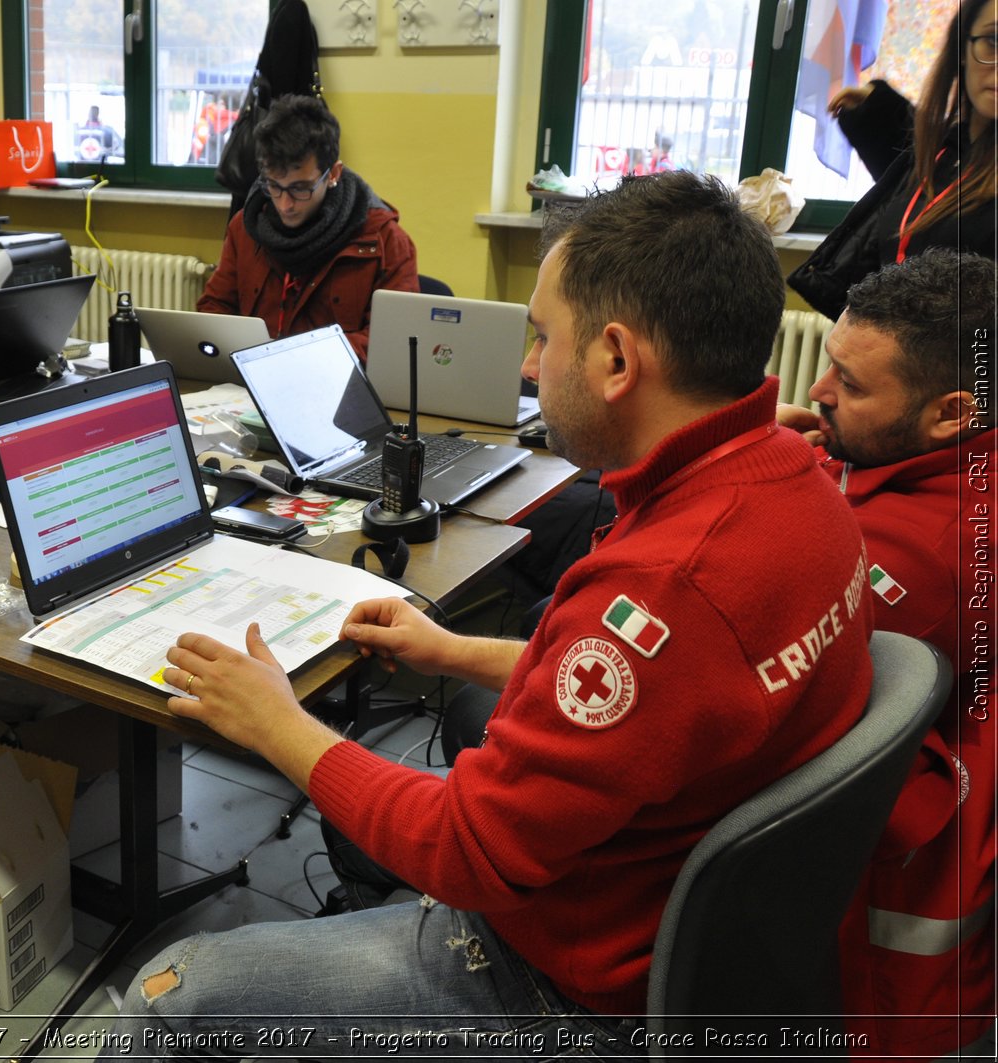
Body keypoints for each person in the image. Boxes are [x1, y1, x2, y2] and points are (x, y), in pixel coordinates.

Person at [107, 171, 875, 1054]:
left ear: (618, 360)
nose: (526, 365)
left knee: (171, 993)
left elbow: (465, 849)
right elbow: (672, 703)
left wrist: (278, 723)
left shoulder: (665, 589)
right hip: (681, 929)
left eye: (544, 337)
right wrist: (456, 651)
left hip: (563, 984)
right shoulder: (795, 478)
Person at [777, 249, 995, 1059]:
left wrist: (748, 471)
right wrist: (822, 459)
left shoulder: (930, 555)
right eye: (830, 365)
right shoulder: (934, 465)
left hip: (847, 855)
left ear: (949, 414)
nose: (817, 394)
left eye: (853, 387)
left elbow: (742, 662)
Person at [789, 0, 997, 320]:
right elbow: (922, 192)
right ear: (962, 49)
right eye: (993, 41)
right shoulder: (949, 152)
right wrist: (877, 111)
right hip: (891, 356)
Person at [197, 94, 418, 361]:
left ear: (333, 174)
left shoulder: (384, 240)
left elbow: (390, 341)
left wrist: (296, 357)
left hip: (341, 388)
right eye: (274, 186)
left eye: (300, 189)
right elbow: (214, 309)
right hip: (251, 385)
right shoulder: (245, 229)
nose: (285, 204)